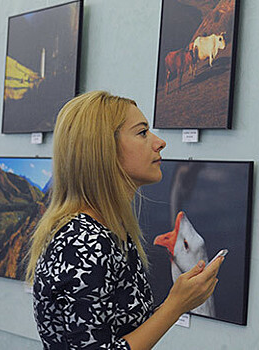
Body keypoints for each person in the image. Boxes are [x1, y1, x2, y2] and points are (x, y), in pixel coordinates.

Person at [26, 91, 223, 349]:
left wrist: (179, 300)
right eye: (142, 133)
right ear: (104, 148)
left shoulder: (109, 232)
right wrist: (175, 306)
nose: (159, 142)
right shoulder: (84, 242)